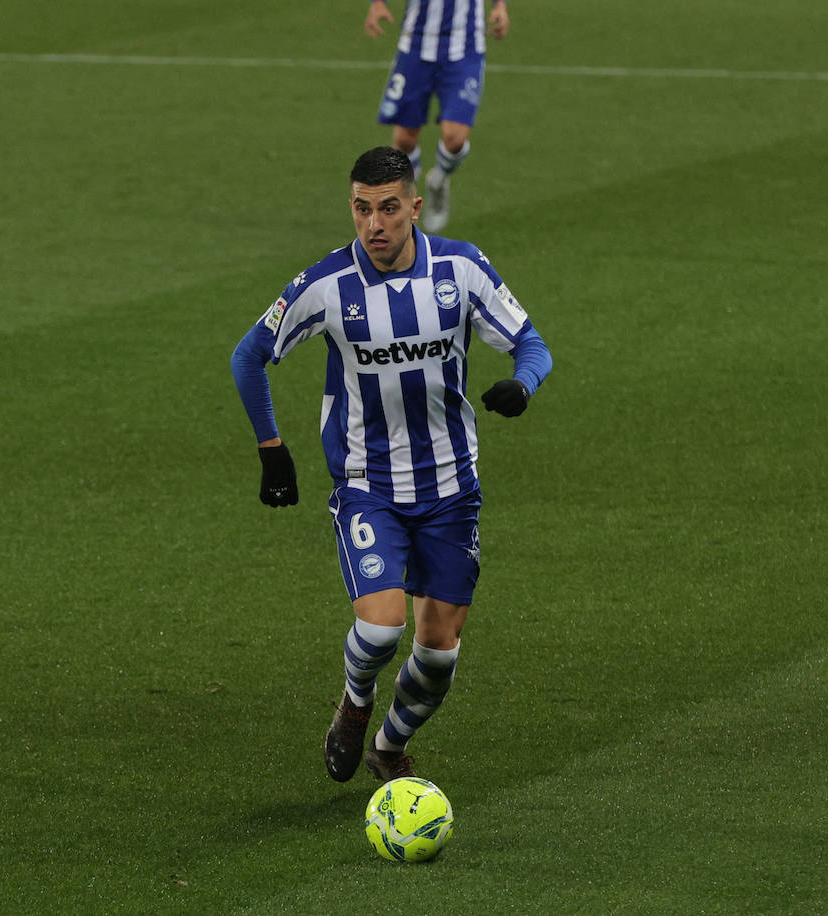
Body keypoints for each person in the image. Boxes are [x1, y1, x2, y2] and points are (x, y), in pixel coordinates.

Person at [230, 146, 551, 782]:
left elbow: (530, 343)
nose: (373, 225)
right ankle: (354, 705)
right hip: (366, 485)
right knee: (379, 634)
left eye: (387, 210)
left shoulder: (461, 268)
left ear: (413, 207)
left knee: (437, 658)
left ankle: (388, 743)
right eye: (360, 209)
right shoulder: (328, 285)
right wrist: (272, 449)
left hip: (452, 489)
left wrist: (523, 384)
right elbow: (249, 355)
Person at [364, 0, 510, 231]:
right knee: (404, 140)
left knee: (455, 138)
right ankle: (408, 202)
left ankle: (439, 180)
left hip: (465, 48)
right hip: (415, 45)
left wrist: (500, 6)